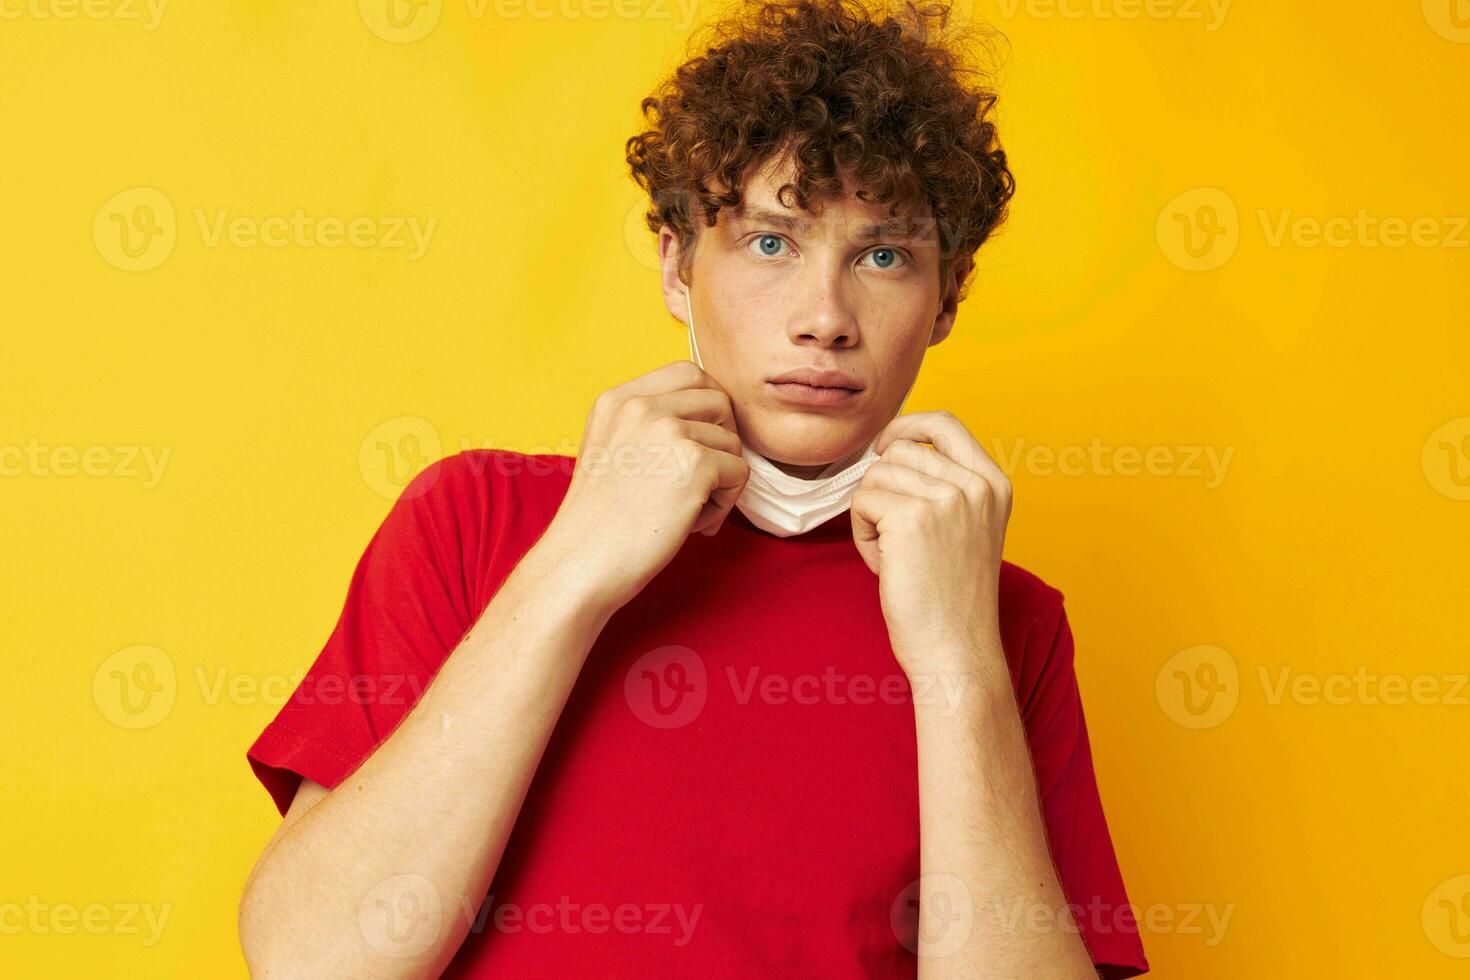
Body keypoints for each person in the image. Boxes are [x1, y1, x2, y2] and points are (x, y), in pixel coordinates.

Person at [237, 0, 1150, 976]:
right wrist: (574, 566)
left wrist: (958, 653)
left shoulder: (1002, 615)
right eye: (771, 242)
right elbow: (311, 961)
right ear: (677, 265)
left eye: (883, 255)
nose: (825, 317)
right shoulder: (473, 519)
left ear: (946, 299)